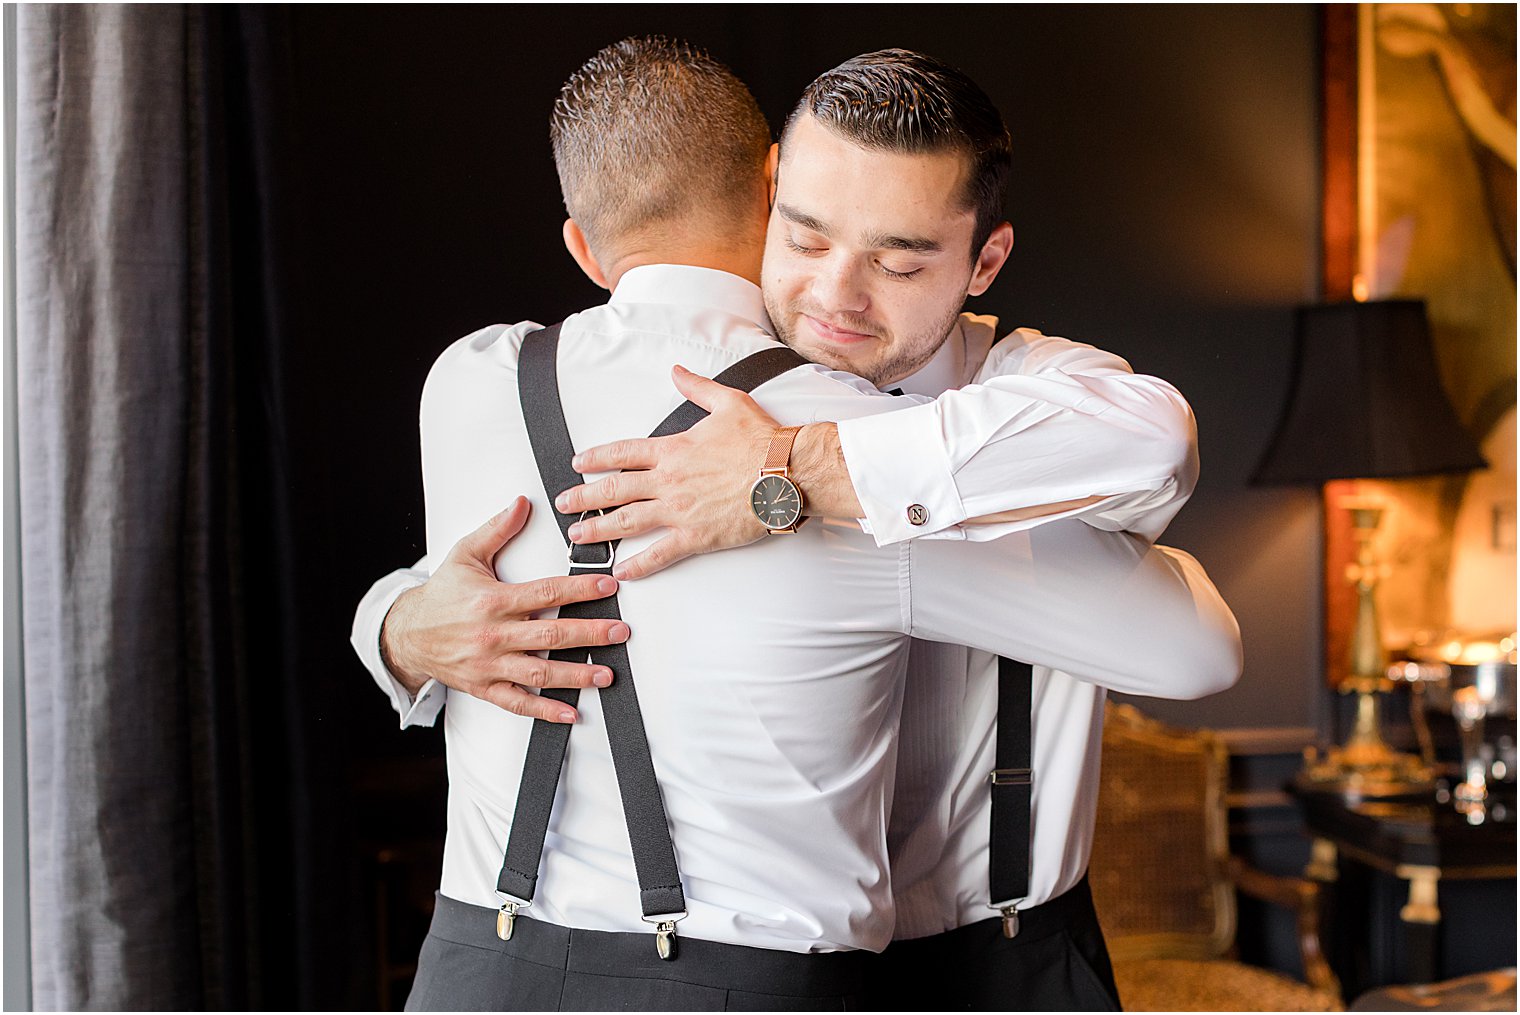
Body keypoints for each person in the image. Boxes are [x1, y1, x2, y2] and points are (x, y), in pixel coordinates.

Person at [354, 40, 1240, 1011]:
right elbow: (479, 560)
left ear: (982, 260)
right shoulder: (678, 386)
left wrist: (808, 472)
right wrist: (399, 626)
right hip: (793, 966)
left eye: (897, 260)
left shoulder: (1029, 387)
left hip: (999, 959)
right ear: (768, 190)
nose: (834, 297)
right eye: (806, 238)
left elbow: (1180, 573)